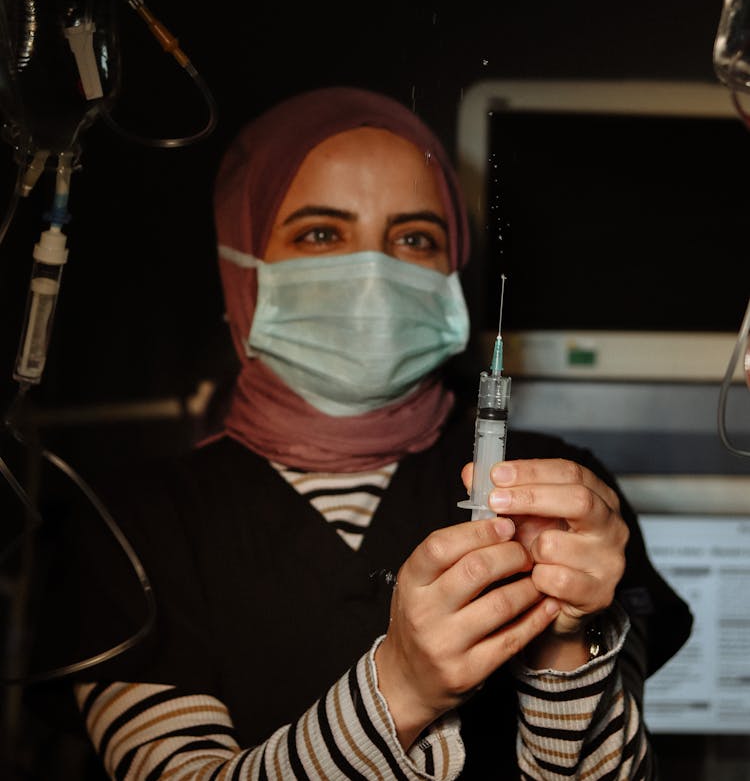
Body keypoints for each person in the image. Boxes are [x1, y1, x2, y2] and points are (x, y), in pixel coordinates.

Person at [29, 85, 692, 780]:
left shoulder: (566, 497)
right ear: (241, 266)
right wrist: (401, 689)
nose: (373, 273)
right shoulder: (131, 526)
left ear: (451, 273)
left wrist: (564, 644)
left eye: (414, 237)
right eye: (321, 233)